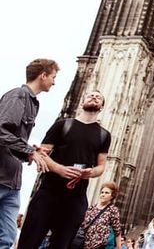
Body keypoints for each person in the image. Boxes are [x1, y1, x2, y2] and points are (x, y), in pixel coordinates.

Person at [18, 90, 112, 249]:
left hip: (76, 197)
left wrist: (90, 173)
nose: (94, 97)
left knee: (62, 245)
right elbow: (42, 153)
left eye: (99, 97)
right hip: (49, 192)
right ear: (82, 102)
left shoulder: (104, 135)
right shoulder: (63, 125)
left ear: (102, 107)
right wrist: (60, 169)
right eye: (91, 95)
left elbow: (101, 166)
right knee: (29, 241)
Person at [0, 59, 57, 247]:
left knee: (7, 238)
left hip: (12, 180)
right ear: (43, 75)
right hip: (1, 176)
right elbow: (2, 131)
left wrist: (31, 150)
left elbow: (13, 139)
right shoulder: (18, 96)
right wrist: (29, 152)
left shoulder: (33, 103)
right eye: (53, 77)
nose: (54, 82)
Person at [80, 181, 123, 249]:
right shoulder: (92, 207)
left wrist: (118, 247)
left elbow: (117, 231)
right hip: (83, 244)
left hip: (98, 246)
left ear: (112, 195)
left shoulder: (113, 210)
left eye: (107, 193)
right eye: (102, 192)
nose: (103, 194)